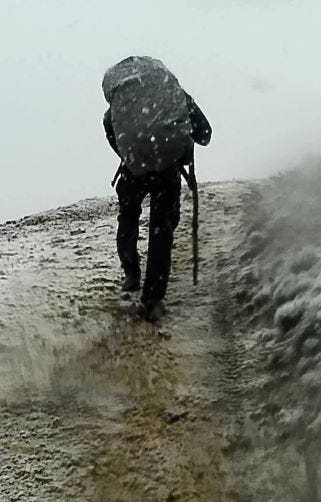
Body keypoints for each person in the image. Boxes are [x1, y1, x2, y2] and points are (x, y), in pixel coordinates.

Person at [102, 56, 211, 322]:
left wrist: (132, 156)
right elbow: (205, 133)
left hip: (133, 168)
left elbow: (111, 131)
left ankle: (131, 274)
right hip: (167, 168)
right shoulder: (178, 97)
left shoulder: (117, 107)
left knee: (128, 217)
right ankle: (152, 299)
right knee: (161, 229)